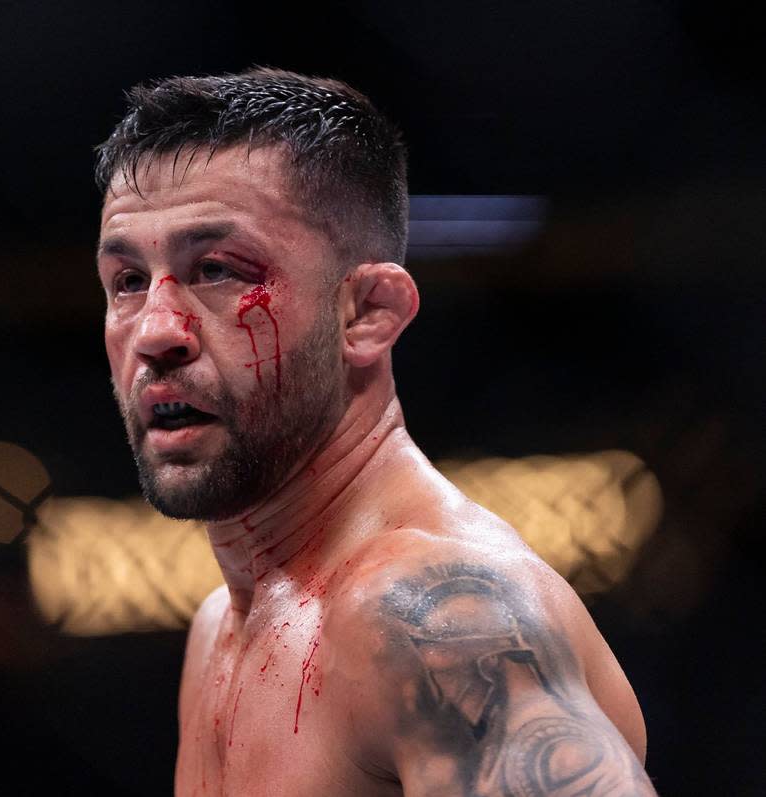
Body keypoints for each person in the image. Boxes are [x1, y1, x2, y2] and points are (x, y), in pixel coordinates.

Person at [94, 68, 655, 796]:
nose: (157, 332)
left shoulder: (438, 618)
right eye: (129, 280)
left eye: (217, 269)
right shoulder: (221, 629)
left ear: (367, 312)